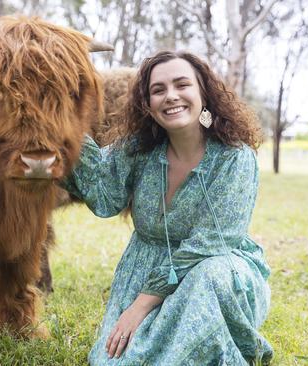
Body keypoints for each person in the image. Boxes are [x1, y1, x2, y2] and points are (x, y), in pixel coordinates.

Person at [61, 50, 273, 365]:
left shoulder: (234, 157)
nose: (171, 96)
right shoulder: (138, 150)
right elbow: (106, 198)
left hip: (217, 274)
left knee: (208, 276)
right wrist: (62, 126)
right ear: (147, 103)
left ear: (203, 92)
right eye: (158, 90)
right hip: (144, 269)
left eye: (182, 85)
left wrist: (140, 306)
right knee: (115, 360)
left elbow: (212, 241)